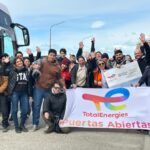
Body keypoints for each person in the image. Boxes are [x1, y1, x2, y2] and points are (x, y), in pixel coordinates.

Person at [32, 49, 65, 131]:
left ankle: (49, 123)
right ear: (48, 55)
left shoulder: (57, 66)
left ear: (55, 56)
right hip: (38, 88)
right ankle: (35, 124)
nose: (52, 56)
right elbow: (33, 65)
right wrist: (34, 66)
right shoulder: (42, 61)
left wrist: (63, 85)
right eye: (51, 55)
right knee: (36, 106)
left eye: (54, 55)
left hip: (49, 89)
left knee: (49, 107)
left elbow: (60, 77)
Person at [8, 58, 31, 133]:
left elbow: (29, 83)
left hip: (24, 93)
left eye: (20, 61)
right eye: (17, 62)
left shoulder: (26, 70)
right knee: (14, 110)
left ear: (22, 62)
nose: (19, 62)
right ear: (15, 64)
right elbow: (9, 82)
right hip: (15, 93)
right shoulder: (12, 71)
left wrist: (29, 93)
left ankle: (22, 125)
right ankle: (16, 126)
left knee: (25, 110)